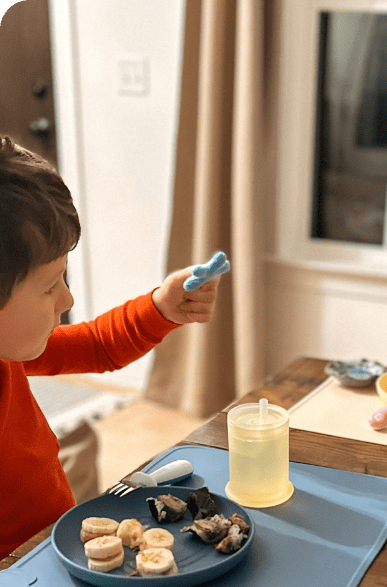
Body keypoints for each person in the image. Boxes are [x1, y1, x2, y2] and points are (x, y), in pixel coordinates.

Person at [0, 136, 222, 556]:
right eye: (50, 287)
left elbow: (98, 346)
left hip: (53, 547)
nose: (67, 300)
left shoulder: (6, 354)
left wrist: (160, 309)